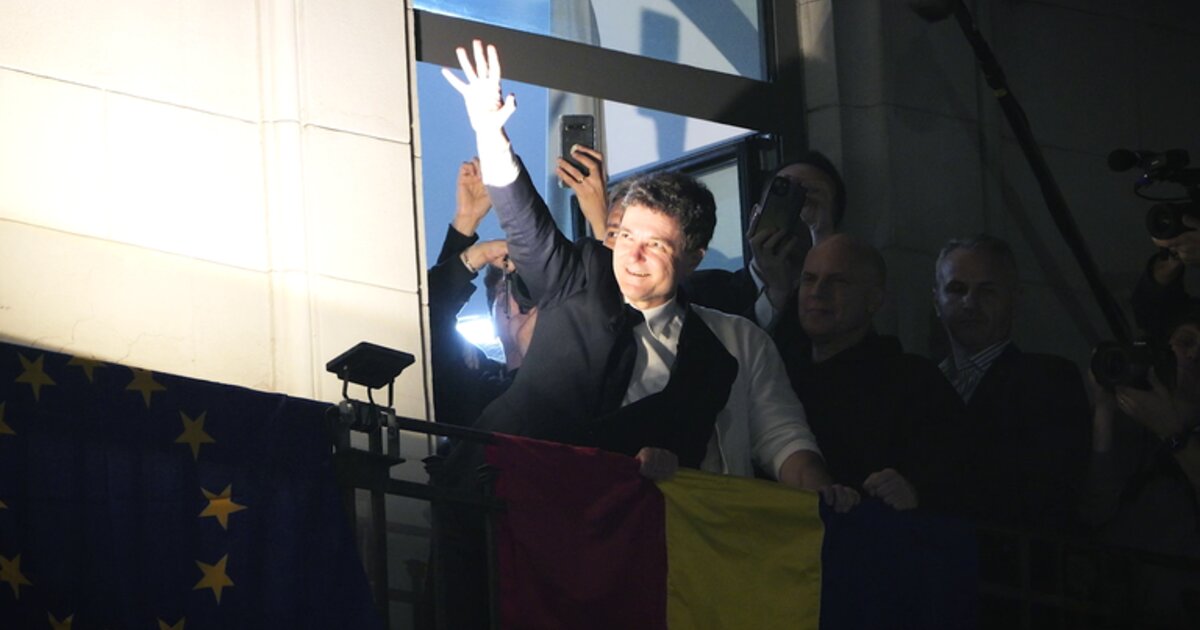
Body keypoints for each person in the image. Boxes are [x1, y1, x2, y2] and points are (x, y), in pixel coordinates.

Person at [432, 40, 856, 628]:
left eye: (655, 244)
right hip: (503, 520)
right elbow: (526, 223)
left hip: (609, 566)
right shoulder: (580, 275)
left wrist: (671, 464)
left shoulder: (716, 359)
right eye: (626, 235)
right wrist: (489, 131)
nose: (632, 255)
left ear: (693, 258)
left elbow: (702, 456)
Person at [787, 234, 970, 511]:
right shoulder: (779, 373)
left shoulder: (916, 383)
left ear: (874, 299)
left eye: (838, 281)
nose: (817, 292)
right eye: (809, 279)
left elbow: (959, 477)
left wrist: (915, 492)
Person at [932, 234, 1091, 532]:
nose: (969, 303)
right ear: (936, 301)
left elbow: (1048, 494)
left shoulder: (1048, 381)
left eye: (987, 291)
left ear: (1015, 300)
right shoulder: (920, 384)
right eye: (956, 289)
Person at [1085, 311, 1200, 628]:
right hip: (1116, 604)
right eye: (1186, 342)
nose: (1194, 355)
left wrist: (1172, 433)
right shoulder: (1134, 427)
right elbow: (1096, 510)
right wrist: (1104, 410)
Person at [427, 158, 536, 433]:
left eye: (534, 290)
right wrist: (468, 227)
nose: (524, 301)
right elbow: (424, 325)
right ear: (493, 315)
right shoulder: (475, 379)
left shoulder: (578, 379)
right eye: (510, 288)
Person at [685, 151, 847, 332]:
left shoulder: (837, 303)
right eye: (783, 199)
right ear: (754, 215)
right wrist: (775, 295)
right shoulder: (700, 291)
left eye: (807, 204)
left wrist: (823, 242)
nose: (793, 215)